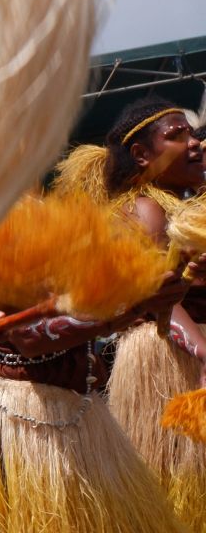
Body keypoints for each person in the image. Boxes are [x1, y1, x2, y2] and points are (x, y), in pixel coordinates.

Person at [0, 97, 197, 533]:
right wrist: (133, 308)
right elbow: (30, 337)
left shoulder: (47, 223)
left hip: (73, 411)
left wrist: (139, 303)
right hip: (25, 421)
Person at [97, 99, 206, 531]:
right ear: (141, 154)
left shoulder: (187, 207)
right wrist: (202, 351)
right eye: (178, 134)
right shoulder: (144, 210)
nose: (195, 142)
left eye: (195, 133)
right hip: (166, 357)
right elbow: (159, 297)